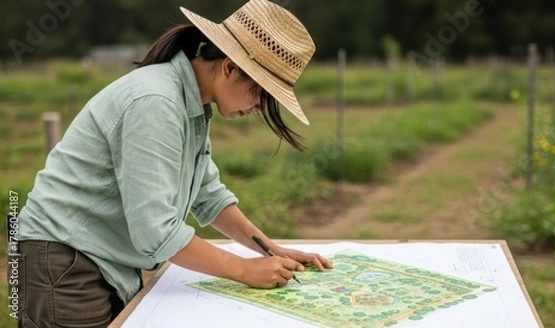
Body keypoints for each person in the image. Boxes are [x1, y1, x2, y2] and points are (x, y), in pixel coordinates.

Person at [16, 1, 333, 327]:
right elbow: (156, 231)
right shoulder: (157, 102)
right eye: (261, 94)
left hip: (95, 260)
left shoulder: (190, 104)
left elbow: (210, 196)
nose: (257, 108)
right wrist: (243, 269)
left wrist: (270, 250)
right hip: (64, 259)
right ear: (229, 68)